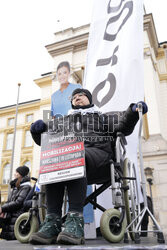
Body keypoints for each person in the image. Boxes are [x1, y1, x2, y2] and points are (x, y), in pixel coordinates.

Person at [29, 88, 148, 245]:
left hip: (100, 157)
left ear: (89, 100)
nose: (77, 98)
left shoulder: (103, 117)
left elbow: (124, 122)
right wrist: (37, 129)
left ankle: (75, 221)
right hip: (71, 158)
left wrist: (133, 111)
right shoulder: (62, 121)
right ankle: (52, 221)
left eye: (81, 96)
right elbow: (46, 136)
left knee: (77, 155)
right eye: (74, 97)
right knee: (54, 159)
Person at [0, 165, 31, 240]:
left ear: (21, 174)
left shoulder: (26, 187)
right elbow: (9, 201)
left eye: (16, 172)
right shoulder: (16, 187)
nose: (15, 174)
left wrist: (2, 208)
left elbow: (18, 203)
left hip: (16, 220)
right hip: (9, 219)